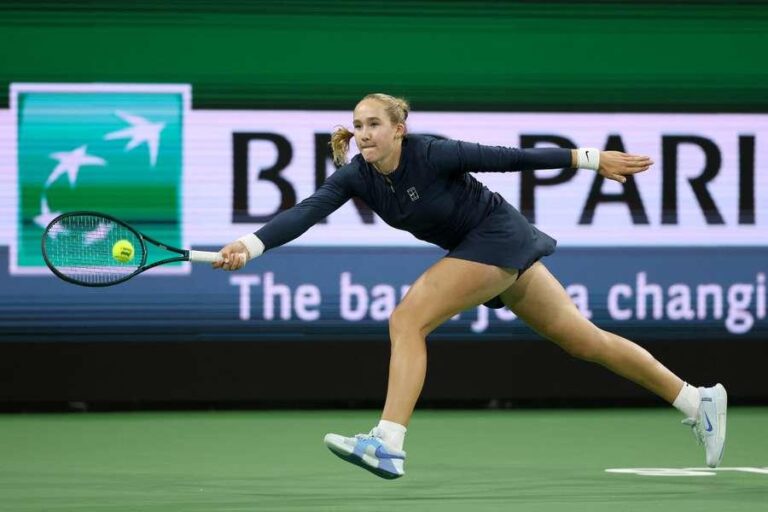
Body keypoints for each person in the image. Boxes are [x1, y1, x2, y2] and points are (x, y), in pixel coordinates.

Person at [213, 93, 727, 479]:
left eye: (374, 124)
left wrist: (590, 159)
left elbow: (511, 157)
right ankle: (695, 400)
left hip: (497, 236)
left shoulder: (433, 153)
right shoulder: (356, 177)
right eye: (358, 125)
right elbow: (304, 213)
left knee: (407, 320)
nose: (364, 134)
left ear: (399, 130)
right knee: (583, 340)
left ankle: (387, 442)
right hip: (484, 247)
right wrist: (248, 246)